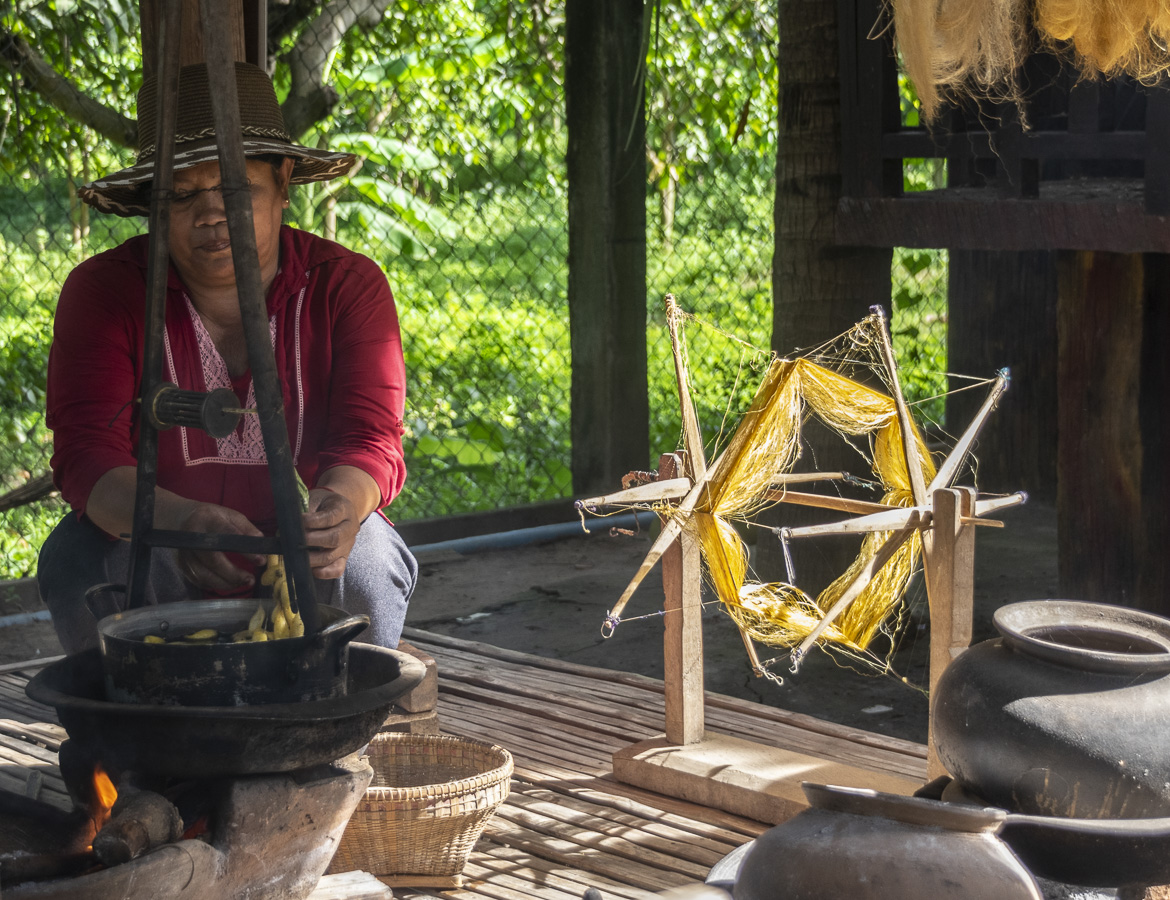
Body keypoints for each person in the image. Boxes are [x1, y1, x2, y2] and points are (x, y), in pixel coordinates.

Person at [37, 62, 417, 654]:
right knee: (79, 560)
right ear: (153, 203)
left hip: (303, 558)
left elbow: (370, 438)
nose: (210, 214)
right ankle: (135, 713)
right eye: (182, 194)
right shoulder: (107, 293)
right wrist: (177, 523)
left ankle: (330, 705)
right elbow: (87, 456)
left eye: (235, 190)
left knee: (367, 564)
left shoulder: (345, 287)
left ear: (283, 182)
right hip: (163, 553)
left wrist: (341, 507)